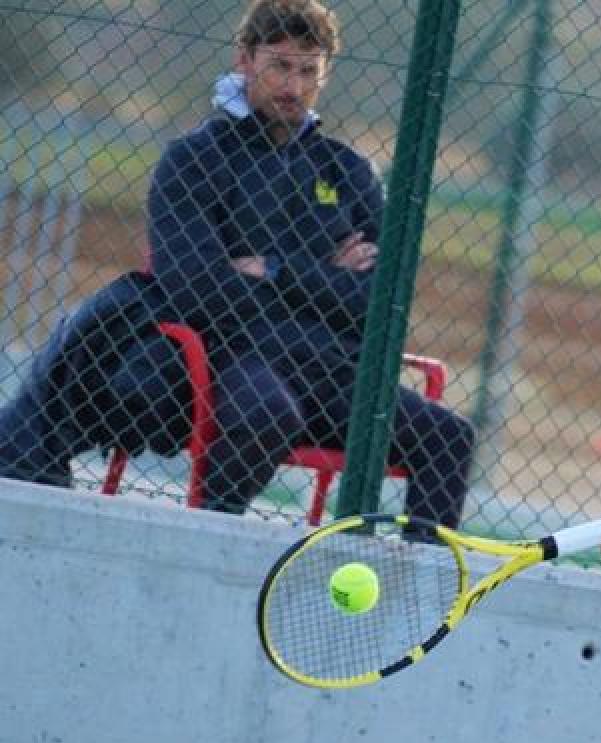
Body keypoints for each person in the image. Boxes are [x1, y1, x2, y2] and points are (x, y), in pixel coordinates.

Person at [0, 0, 474, 532]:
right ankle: (208, 538)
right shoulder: (194, 159)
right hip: (241, 359)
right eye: (279, 66)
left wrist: (275, 270)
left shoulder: (347, 171)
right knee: (267, 413)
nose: (292, 86)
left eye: (307, 71)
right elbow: (196, 290)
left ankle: (421, 584)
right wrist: (328, 276)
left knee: (450, 439)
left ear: (324, 75)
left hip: (336, 372)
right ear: (245, 60)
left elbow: (383, 304)